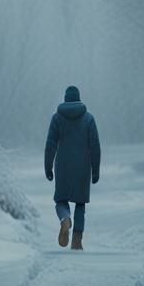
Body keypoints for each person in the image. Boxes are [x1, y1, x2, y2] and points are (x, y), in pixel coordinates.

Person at [44, 85, 101, 250]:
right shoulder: (88, 118)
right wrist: (95, 170)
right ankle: (77, 238)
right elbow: (95, 146)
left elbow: (50, 145)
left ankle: (65, 219)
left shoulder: (57, 118)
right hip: (83, 166)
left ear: (65, 99)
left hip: (63, 165)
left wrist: (48, 167)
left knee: (61, 200)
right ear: (79, 98)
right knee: (80, 203)